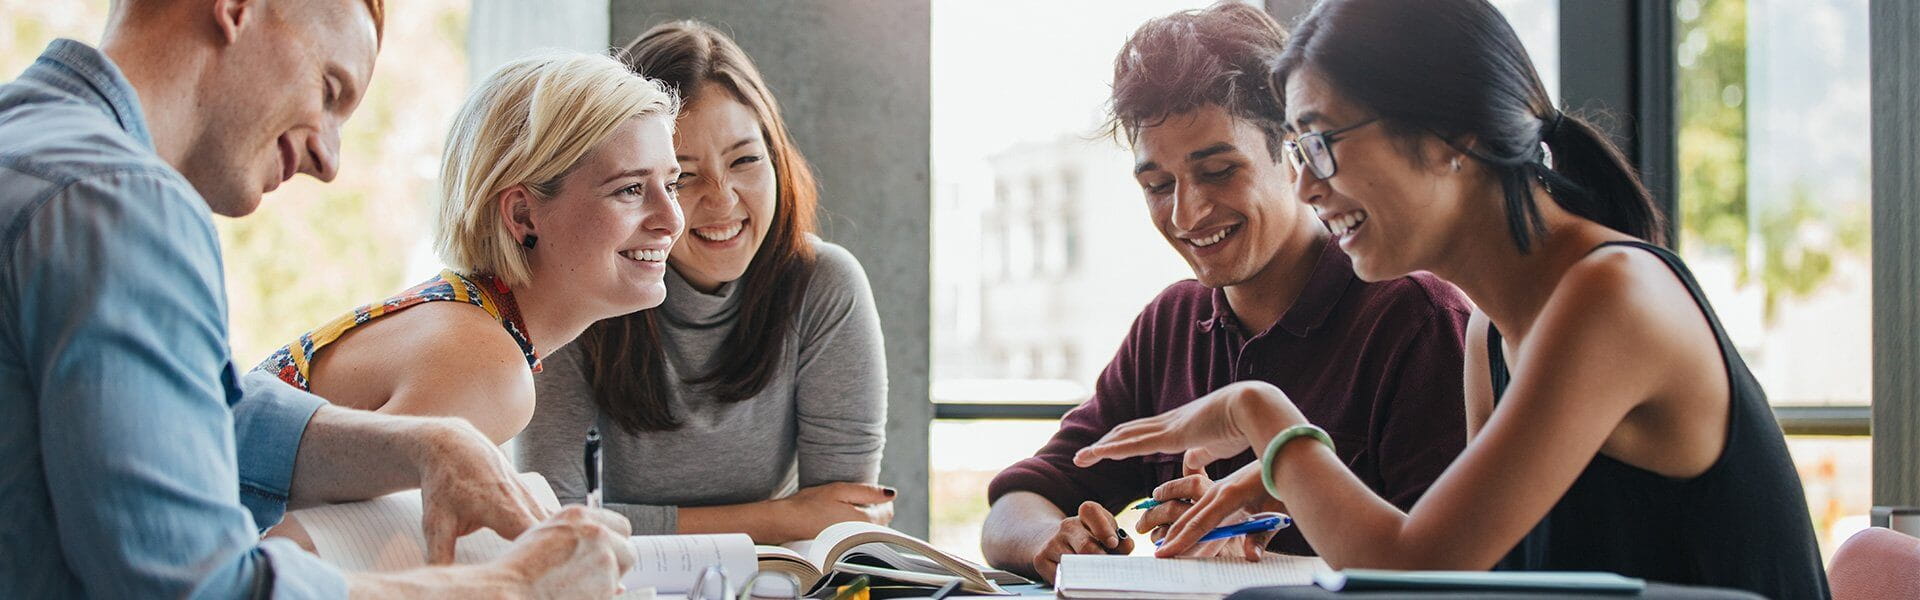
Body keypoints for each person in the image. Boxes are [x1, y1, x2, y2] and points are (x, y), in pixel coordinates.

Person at [1072, 0, 1830, 597]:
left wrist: (1258, 416)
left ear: (1449, 136)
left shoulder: (1610, 297)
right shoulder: (1491, 332)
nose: (1305, 185)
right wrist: (1283, 487)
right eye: (1299, 151)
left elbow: (1416, 571)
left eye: (1323, 143)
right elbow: (1469, 581)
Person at [0, 0, 636, 597]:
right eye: (330, 90)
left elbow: (185, 410)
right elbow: (201, 587)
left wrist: (426, 445)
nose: (329, 160)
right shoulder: (122, 202)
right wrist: (514, 584)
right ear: (236, 9)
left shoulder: (30, 145)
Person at [979, 2, 1472, 584]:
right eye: (1158, 185)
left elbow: (1444, 570)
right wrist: (1052, 540)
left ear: (1293, 154)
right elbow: (1017, 502)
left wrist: (1272, 513)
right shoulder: (1171, 324)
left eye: (1217, 172)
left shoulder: (1414, 318)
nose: (1186, 213)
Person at [516, 20, 892, 544]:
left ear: (777, 158)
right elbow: (555, 521)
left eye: (745, 160)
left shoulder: (824, 285)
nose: (722, 200)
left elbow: (838, 519)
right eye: (683, 176)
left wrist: (802, 521)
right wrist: (779, 518)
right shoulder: (577, 288)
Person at [253, 50, 686, 446]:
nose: (672, 220)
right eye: (630, 189)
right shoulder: (486, 370)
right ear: (522, 215)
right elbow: (306, 531)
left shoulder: (467, 319)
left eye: (671, 185)